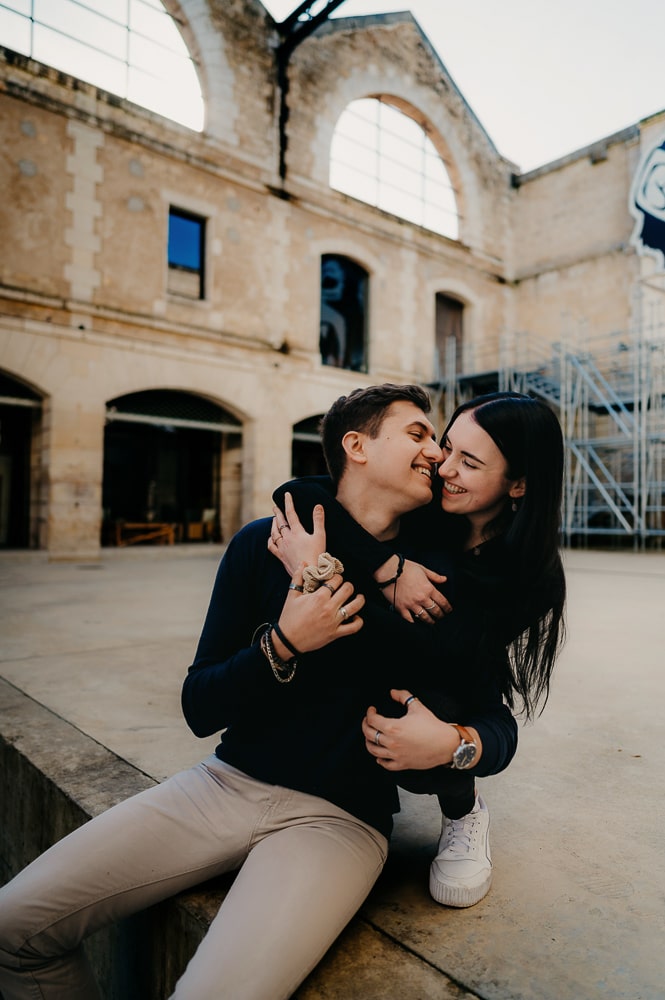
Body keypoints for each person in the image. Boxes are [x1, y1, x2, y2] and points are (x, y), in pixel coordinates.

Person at [0, 382, 503, 1000]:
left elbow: (490, 711)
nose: (435, 452)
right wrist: (284, 643)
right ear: (357, 446)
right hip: (223, 783)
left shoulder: (432, 575)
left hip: (337, 821)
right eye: (418, 434)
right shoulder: (260, 545)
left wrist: (454, 741)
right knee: (12, 928)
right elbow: (199, 704)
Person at [270, 390, 566, 908]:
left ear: (518, 484)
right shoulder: (427, 512)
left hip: (429, 678)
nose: (442, 465)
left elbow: (463, 672)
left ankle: (464, 810)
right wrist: (389, 569)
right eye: (446, 447)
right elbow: (295, 492)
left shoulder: (530, 576)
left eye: (468, 462)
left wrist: (451, 743)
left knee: (436, 712)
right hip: (358, 655)